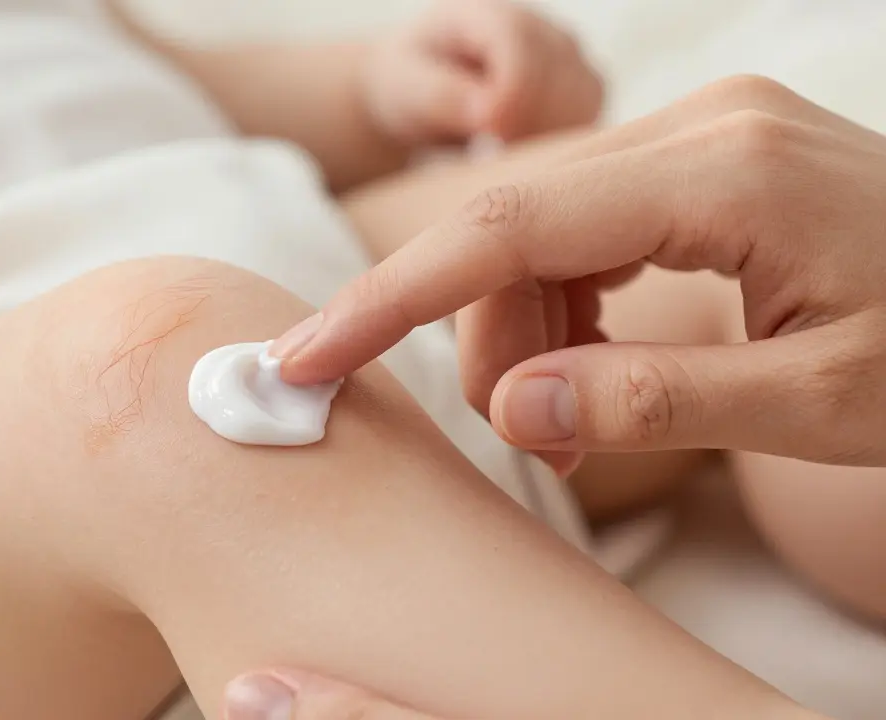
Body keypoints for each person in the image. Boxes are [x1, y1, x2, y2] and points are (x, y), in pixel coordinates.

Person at [0, 5, 854, 720]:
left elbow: (138, 70)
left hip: (285, 257)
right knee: (138, 377)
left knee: (693, 246)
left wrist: (371, 89)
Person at [229, 69, 886, 720]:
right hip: (181, 349)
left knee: (751, 253)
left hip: (304, 229)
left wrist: (368, 89)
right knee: (156, 366)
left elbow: (194, 82)